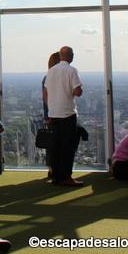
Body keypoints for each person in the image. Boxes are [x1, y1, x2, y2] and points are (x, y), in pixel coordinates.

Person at [43, 46, 84, 186]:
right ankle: (66, 177)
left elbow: (46, 92)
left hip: (54, 113)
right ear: (71, 56)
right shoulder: (72, 70)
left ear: (60, 56)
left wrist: (51, 108)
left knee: (56, 147)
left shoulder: (51, 71)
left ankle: (55, 176)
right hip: (67, 113)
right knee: (67, 147)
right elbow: (77, 91)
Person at [41, 52, 61, 179]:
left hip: (51, 115)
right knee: (58, 143)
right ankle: (57, 169)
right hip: (57, 115)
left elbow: (45, 98)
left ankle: (52, 169)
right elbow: (46, 98)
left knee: (51, 144)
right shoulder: (53, 78)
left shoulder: (47, 77)